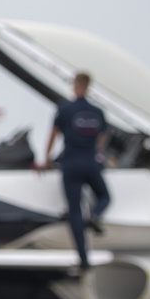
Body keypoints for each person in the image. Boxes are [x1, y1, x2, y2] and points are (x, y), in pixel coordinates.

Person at [42, 72, 112, 269]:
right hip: (90, 163)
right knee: (105, 196)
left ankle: (83, 259)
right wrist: (95, 152)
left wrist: (46, 160)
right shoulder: (97, 112)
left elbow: (53, 135)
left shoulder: (64, 110)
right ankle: (94, 216)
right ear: (89, 87)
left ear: (74, 86)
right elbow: (102, 137)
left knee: (74, 210)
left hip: (70, 164)